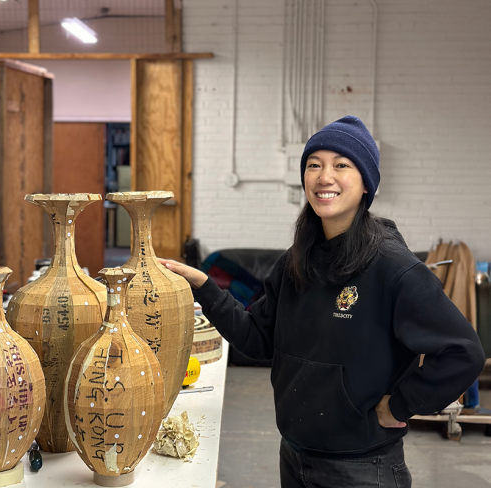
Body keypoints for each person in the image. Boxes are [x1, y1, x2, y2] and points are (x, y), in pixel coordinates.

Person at [159, 115, 486, 488]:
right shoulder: (296, 262)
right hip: (294, 455)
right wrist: (205, 287)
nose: (323, 177)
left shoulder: (393, 268)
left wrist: (400, 405)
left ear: (366, 183)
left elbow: (464, 352)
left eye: (341, 165)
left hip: (363, 469)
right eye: (314, 165)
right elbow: (257, 340)